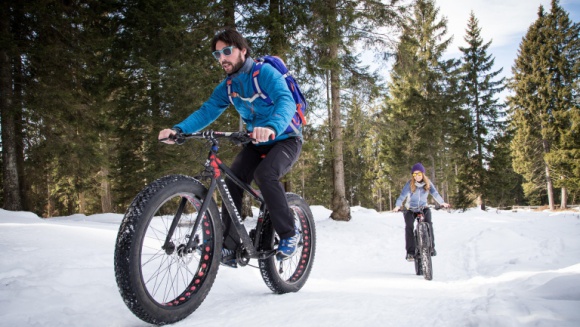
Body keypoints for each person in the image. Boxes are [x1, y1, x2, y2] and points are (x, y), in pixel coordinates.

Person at [158, 29, 302, 267]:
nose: (222, 58)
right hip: (256, 142)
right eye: (217, 54)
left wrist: (272, 127)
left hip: (286, 138)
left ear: (242, 50)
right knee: (233, 179)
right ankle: (230, 246)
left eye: (227, 51)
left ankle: (289, 233)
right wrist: (179, 130)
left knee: (265, 174)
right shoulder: (228, 86)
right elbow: (208, 110)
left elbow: (285, 101)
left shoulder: (264, 73)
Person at [393, 162, 450, 261]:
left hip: (423, 208)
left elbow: (435, 193)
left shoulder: (428, 183)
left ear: (423, 174)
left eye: (419, 174)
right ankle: (410, 253)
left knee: (428, 224)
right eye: (415, 174)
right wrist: (398, 206)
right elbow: (402, 196)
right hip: (410, 209)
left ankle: (431, 247)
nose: (417, 177)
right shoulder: (409, 184)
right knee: (409, 227)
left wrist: (442, 203)